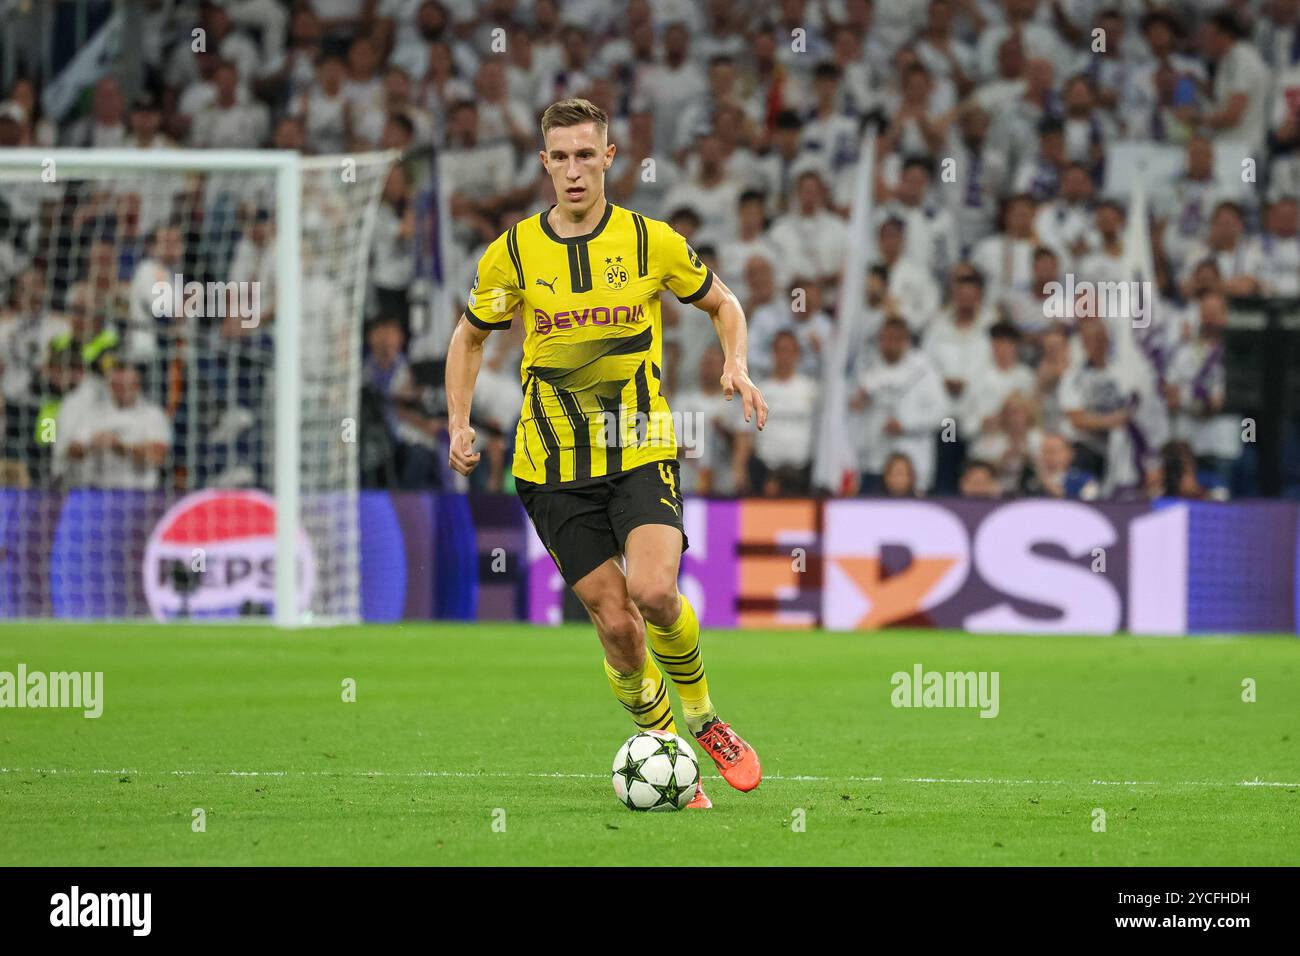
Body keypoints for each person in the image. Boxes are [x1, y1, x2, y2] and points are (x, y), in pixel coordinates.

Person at [444, 99, 767, 809]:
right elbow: (470, 336)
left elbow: (724, 304)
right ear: (544, 164)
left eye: (585, 155)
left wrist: (735, 364)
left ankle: (705, 718)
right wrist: (460, 422)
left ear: (610, 157)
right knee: (617, 626)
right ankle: (669, 753)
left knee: (654, 593)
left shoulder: (653, 242)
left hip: (638, 447)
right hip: (551, 468)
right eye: (559, 157)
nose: (573, 171)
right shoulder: (514, 253)